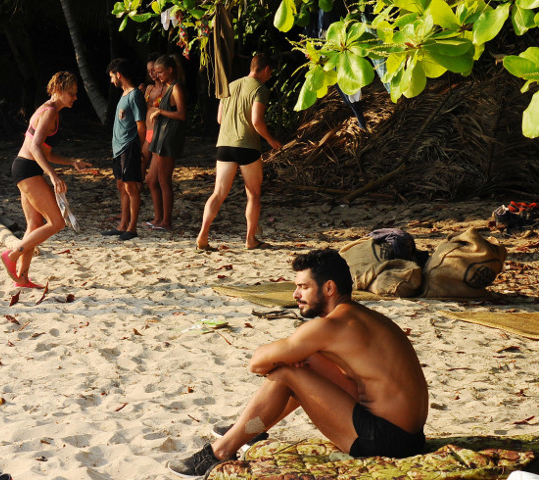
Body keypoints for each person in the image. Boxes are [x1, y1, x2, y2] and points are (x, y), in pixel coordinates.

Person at [167, 249, 428, 478]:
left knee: (286, 373)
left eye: (303, 287)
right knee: (307, 362)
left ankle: (220, 451)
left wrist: (290, 358)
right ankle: (251, 429)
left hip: (384, 442)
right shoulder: (364, 317)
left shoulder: (331, 325)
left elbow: (257, 364)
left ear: (328, 288)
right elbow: (349, 380)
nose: (295, 294)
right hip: (410, 438)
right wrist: (304, 358)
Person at [0, 72, 92, 288]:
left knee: (34, 224)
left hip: (25, 167)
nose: (75, 97)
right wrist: (53, 175)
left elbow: (45, 152)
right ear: (58, 90)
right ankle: (12, 255)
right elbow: (34, 147)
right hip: (27, 169)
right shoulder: (50, 112)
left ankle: (22, 278)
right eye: (72, 93)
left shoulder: (50, 111)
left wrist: (71, 162)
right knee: (57, 222)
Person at [195, 54, 283, 251]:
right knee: (253, 194)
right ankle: (250, 239)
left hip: (224, 144)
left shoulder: (231, 86)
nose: (270, 76)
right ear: (266, 69)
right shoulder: (260, 89)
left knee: (218, 193)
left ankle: (203, 235)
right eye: (271, 72)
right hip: (247, 145)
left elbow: (219, 118)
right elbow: (257, 121)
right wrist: (271, 140)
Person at [102, 58, 146, 241]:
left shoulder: (135, 95)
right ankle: (122, 225)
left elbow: (141, 125)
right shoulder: (124, 94)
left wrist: (140, 149)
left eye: (112, 76)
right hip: (118, 148)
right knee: (121, 186)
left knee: (131, 187)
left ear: (118, 75)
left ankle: (132, 227)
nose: (112, 80)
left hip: (129, 147)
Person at [146, 54, 186, 231]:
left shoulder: (176, 88)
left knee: (164, 181)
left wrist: (161, 113)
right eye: (156, 72)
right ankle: (158, 217)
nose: (158, 75)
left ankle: (166, 221)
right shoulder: (167, 87)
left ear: (170, 70)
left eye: (161, 72)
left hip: (169, 138)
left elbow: (181, 114)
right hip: (159, 136)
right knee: (151, 179)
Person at [140, 53, 165, 178]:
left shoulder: (167, 88)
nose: (151, 73)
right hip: (148, 131)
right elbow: (144, 110)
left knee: (158, 169)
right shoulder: (149, 88)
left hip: (160, 132)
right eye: (149, 71)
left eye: (153, 70)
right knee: (142, 161)